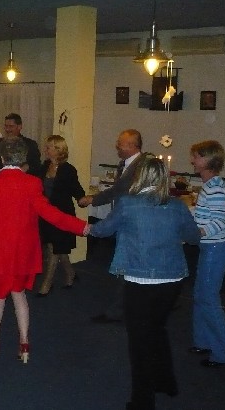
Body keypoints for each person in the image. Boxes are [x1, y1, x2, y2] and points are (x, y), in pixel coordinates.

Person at [0, 137, 87, 363]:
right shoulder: (32, 183)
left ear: (1, 158)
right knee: (19, 296)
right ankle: (25, 343)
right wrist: (81, 227)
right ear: (23, 158)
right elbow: (51, 214)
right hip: (22, 252)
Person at [87, 157, 200, 410]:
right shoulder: (177, 205)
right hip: (172, 280)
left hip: (140, 280)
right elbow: (193, 237)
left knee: (139, 341)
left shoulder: (128, 203)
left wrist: (87, 229)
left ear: (139, 176)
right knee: (157, 329)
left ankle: (143, 401)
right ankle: (166, 381)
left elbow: (103, 230)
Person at [78, 129, 154, 323]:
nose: (117, 146)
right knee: (128, 266)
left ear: (132, 145)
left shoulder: (142, 166)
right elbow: (117, 191)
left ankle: (119, 311)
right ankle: (133, 306)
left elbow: (119, 191)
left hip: (133, 222)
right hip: (126, 220)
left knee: (125, 265)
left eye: (121, 143)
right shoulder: (126, 164)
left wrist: (93, 200)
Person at [189, 140, 225, 368]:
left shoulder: (215, 188)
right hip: (210, 248)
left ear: (208, 160)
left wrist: (194, 233)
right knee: (201, 295)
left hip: (216, 250)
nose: (192, 160)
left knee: (208, 299)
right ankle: (204, 341)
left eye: (196, 156)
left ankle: (224, 353)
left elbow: (219, 222)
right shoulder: (210, 185)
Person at [36, 135, 85, 296]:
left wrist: (84, 200)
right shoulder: (44, 166)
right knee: (58, 248)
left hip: (62, 214)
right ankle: (71, 273)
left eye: (49, 147)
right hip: (45, 214)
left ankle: (47, 284)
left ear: (58, 149)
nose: (46, 149)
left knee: (54, 248)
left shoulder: (68, 169)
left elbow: (77, 190)